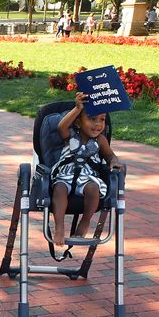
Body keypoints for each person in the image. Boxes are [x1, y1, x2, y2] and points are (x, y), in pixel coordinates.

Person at [44, 92, 118, 247]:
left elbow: (110, 156)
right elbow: (61, 126)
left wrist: (114, 162)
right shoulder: (69, 134)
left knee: (93, 189)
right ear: (78, 122)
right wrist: (78, 108)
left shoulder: (100, 140)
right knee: (59, 189)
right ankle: (59, 226)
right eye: (92, 119)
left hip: (88, 176)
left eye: (102, 120)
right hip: (65, 174)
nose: (98, 124)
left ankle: (84, 222)